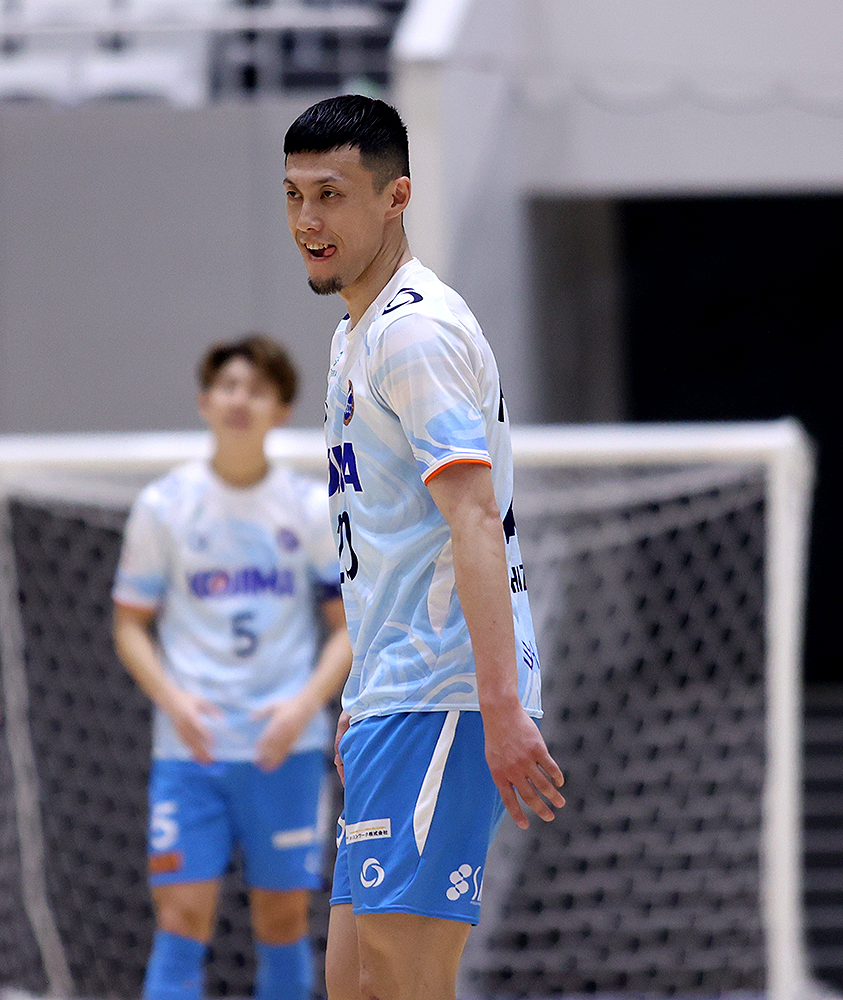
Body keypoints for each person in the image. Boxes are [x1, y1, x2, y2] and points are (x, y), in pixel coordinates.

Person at [281, 95, 566, 1000]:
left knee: (403, 980)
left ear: (396, 196)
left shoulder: (413, 331)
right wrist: (360, 697)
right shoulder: (356, 333)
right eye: (293, 196)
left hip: (442, 690)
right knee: (355, 980)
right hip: (391, 694)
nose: (308, 220)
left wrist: (500, 706)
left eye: (331, 194)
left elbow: (473, 519)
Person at [112, 334, 353, 1000]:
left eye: (258, 390)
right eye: (228, 386)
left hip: (285, 748)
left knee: (283, 923)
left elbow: (347, 630)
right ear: (205, 401)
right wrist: (176, 702)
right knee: (180, 919)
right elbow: (129, 626)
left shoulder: (311, 507)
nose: (240, 400)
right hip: (192, 749)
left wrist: (302, 707)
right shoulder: (164, 506)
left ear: (282, 409)